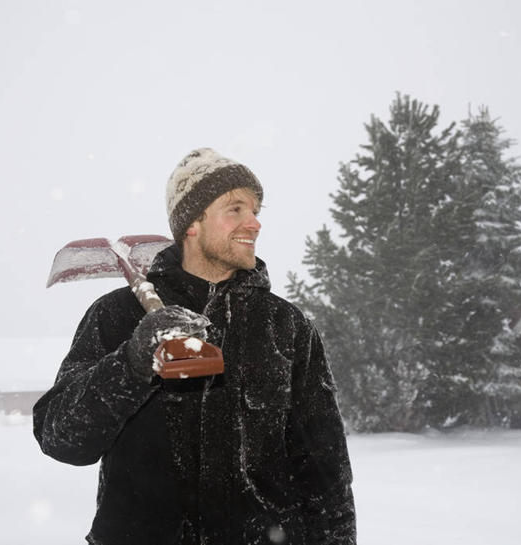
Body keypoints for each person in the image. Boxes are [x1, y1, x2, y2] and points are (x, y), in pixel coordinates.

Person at [33, 148, 356, 545]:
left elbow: (326, 475)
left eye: (255, 210)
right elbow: (61, 438)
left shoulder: (286, 327)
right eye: (235, 209)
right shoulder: (116, 316)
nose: (253, 223)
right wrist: (133, 362)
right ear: (192, 223)